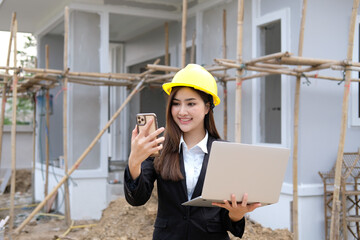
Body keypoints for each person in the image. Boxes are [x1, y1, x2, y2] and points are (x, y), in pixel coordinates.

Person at [124, 64, 261, 240]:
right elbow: (137, 199)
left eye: (191, 103)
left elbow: (228, 222)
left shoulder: (226, 153)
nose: (182, 112)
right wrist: (134, 162)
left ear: (207, 107)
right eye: (176, 104)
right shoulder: (159, 148)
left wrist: (237, 214)